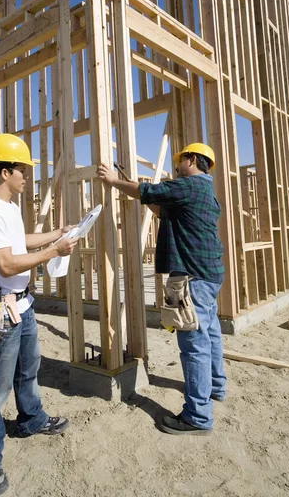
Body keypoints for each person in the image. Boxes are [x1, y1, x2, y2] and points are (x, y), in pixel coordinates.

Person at [0, 133, 78, 496]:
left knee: (29, 370)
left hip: (24, 305)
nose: (26, 176)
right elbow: (5, 263)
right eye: (22, 170)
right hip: (3, 310)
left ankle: (31, 420)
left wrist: (53, 235)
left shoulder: (11, 208)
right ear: (4, 173)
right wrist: (54, 251)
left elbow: (20, 241)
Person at [97, 143, 226, 436]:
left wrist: (114, 181)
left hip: (193, 278)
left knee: (193, 345)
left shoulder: (188, 185)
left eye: (180, 161)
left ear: (192, 160)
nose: (177, 166)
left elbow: (151, 192)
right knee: (210, 333)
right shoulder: (204, 191)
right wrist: (133, 189)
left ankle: (198, 417)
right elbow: (161, 208)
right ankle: (216, 387)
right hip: (209, 275)